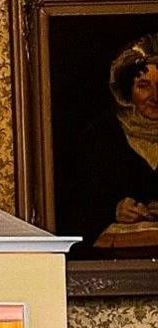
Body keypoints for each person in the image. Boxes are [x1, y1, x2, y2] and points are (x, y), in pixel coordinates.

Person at [66, 34, 158, 253]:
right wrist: (113, 210)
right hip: (116, 260)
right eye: (143, 86)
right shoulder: (100, 136)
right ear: (127, 90)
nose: (155, 96)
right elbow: (76, 207)